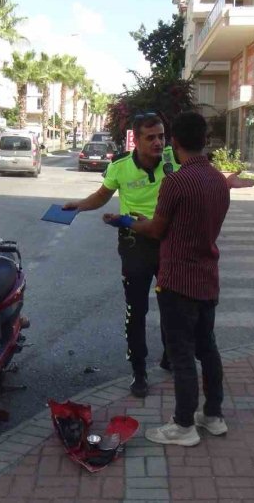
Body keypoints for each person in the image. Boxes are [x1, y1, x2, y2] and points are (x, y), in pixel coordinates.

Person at [103, 112, 254, 447]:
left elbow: (157, 229)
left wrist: (126, 222)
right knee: (208, 348)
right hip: (207, 274)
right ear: (206, 141)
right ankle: (213, 415)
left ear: (174, 142)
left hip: (177, 279)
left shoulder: (175, 182)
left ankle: (184, 424)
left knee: (182, 353)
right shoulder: (218, 180)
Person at [62, 113, 179, 398]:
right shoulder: (120, 167)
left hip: (168, 241)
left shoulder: (172, 162)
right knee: (137, 310)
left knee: (172, 305)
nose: (158, 142)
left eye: (161, 136)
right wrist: (79, 205)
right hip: (134, 242)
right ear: (135, 140)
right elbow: (102, 196)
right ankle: (139, 371)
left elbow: (195, 184)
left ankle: (170, 355)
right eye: (150, 137)